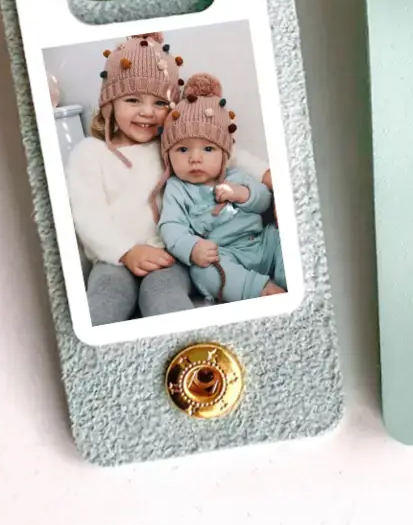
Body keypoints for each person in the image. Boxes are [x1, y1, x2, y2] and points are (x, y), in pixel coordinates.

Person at [66, 32, 195, 324]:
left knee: (164, 296)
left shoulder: (173, 147)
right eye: (134, 100)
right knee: (105, 298)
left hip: (166, 256)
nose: (147, 112)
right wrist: (125, 251)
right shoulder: (90, 153)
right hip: (111, 258)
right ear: (110, 104)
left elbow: (222, 154)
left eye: (160, 103)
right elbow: (88, 215)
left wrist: (265, 174)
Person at [156, 72, 286, 303]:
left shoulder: (236, 175)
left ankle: (289, 280)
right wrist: (192, 247)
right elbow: (171, 225)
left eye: (208, 149)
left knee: (284, 238)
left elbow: (265, 199)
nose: (195, 158)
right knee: (203, 272)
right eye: (183, 149)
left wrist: (242, 194)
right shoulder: (177, 188)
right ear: (168, 156)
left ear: (225, 154)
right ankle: (260, 289)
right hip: (221, 252)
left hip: (262, 242)